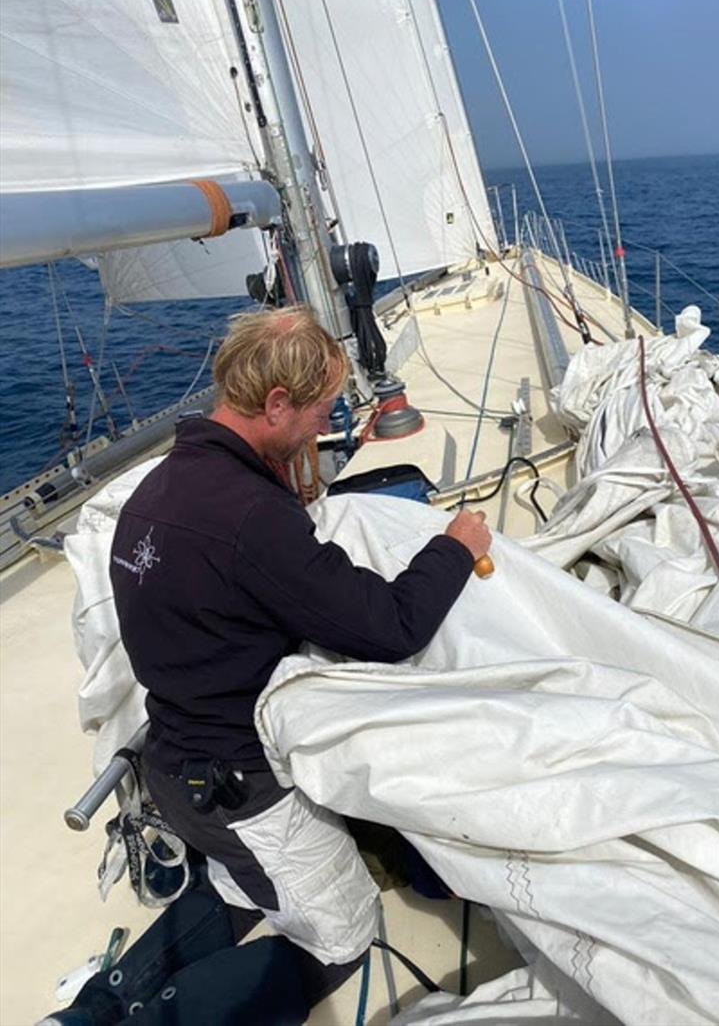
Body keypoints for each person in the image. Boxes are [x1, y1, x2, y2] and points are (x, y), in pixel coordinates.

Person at [108, 305, 491, 1011]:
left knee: (240, 886)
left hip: (180, 773)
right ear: (277, 402)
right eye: (321, 409)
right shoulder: (251, 517)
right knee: (342, 937)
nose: (327, 424)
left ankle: (95, 1006)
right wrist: (455, 546)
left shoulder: (157, 489)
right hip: (241, 789)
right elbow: (392, 625)